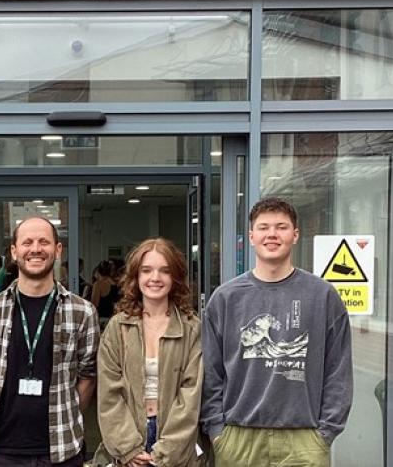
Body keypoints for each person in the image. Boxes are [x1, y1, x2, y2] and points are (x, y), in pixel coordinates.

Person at [201, 198, 353, 466]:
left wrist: (325, 433)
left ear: (295, 235)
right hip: (238, 439)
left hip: (304, 440)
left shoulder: (323, 296)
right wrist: (217, 431)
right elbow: (210, 373)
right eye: (263, 227)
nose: (272, 234)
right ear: (251, 236)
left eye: (281, 227)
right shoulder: (225, 299)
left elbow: (338, 371)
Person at [0, 216, 100, 467]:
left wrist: (67, 410)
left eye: (44, 241)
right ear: (14, 251)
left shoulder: (82, 312)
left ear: (58, 249)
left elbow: (88, 374)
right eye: (27, 242)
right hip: (3, 450)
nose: (35, 249)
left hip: (62, 450)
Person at [97, 238, 203, 467]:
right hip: (128, 439)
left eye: (164, 271)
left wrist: (166, 451)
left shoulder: (191, 328)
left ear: (175, 277)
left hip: (177, 446)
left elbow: (191, 394)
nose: (155, 278)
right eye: (147, 270)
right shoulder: (117, 328)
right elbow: (109, 394)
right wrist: (128, 448)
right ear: (136, 276)